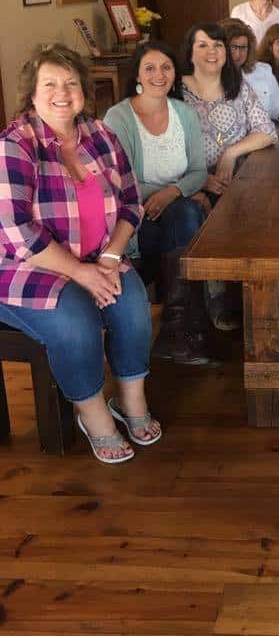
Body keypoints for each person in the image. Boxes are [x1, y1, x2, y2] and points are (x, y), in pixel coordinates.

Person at [0, 44, 160, 464]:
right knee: (76, 322)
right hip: (28, 267)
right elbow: (16, 231)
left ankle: (131, 401)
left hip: (99, 257)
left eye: (71, 83)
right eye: (49, 84)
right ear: (32, 95)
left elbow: (130, 203)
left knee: (134, 305)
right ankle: (91, 414)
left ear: (84, 91)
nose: (62, 92)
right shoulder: (15, 145)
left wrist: (108, 259)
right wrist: (80, 273)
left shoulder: (101, 136)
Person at [104, 41, 217, 366]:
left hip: (177, 215)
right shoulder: (119, 117)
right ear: (137, 74)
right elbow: (124, 182)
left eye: (166, 67)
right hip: (136, 224)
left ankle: (180, 328)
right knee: (188, 214)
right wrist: (179, 191)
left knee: (185, 214)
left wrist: (173, 192)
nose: (159, 74)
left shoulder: (184, 113)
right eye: (150, 68)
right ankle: (186, 328)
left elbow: (199, 172)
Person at [181, 23, 277, 205]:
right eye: (203, 45)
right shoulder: (176, 91)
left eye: (218, 45)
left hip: (237, 178)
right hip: (191, 186)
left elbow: (267, 131)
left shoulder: (238, 86)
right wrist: (197, 180)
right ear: (190, 54)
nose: (212, 51)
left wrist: (230, 154)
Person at [221, 18, 279, 133]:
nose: (238, 54)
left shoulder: (263, 70)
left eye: (243, 48)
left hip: (266, 140)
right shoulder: (211, 77)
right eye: (233, 47)